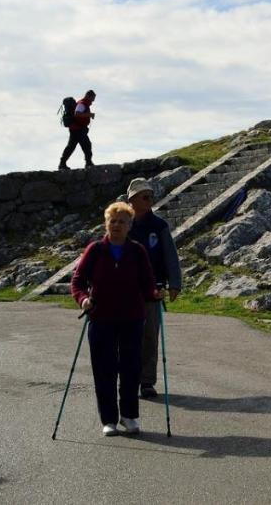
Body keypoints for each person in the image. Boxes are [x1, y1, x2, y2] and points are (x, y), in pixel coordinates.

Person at [70, 201, 164, 437]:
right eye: (113, 221)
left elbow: (147, 283)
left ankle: (129, 416)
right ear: (106, 224)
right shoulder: (95, 250)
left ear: (130, 225)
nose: (117, 225)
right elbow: (78, 281)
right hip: (100, 318)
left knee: (131, 369)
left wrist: (154, 293)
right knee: (104, 370)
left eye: (122, 221)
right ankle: (109, 419)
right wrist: (83, 300)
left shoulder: (137, 251)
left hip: (132, 319)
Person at [125, 178, 182, 399]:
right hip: (125, 292)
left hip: (153, 291)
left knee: (149, 337)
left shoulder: (159, 226)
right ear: (132, 200)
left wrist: (174, 283)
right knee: (127, 337)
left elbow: (170, 255)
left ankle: (147, 381)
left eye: (150, 195)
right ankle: (128, 378)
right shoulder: (122, 223)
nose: (149, 199)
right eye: (144, 196)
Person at [59, 89, 96, 170]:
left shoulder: (83, 103)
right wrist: (89, 114)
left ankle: (62, 163)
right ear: (88, 96)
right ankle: (88, 163)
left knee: (71, 147)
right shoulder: (82, 104)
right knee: (86, 145)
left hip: (76, 129)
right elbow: (77, 114)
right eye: (92, 99)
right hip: (78, 129)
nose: (92, 101)